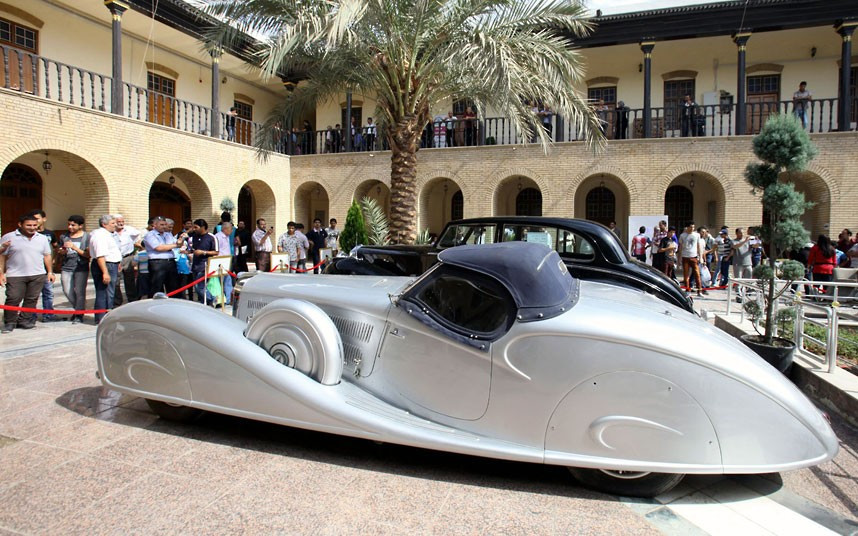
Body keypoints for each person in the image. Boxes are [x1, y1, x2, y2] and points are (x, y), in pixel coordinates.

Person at [0, 213, 54, 333]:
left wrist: (50, 272)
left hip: (37, 274)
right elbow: (2, 256)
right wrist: (1, 274)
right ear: (20, 225)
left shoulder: (42, 238)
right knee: (13, 298)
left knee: (32, 299)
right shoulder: (9, 237)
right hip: (15, 275)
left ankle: (24, 321)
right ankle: (10, 322)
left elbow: (47, 255)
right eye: (29, 225)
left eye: (35, 225)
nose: (32, 228)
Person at [89, 214, 122, 324]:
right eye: (112, 223)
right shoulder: (100, 236)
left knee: (109, 292)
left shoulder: (108, 235)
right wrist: (105, 272)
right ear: (104, 224)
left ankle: (106, 315)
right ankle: (101, 318)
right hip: (105, 265)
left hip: (112, 264)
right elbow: (100, 255)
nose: (115, 225)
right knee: (104, 292)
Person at [143, 216, 186, 297]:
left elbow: (178, 244)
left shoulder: (168, 234)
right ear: (154, 225)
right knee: (156, 286)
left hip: (170, 262)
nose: (164, 227)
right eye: (161, 225)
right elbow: (159, 248)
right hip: (157, 263)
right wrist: (175, 245)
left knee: (173, 286)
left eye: (165, 224)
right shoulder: (150, 235)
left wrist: (181, 239)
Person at [59, 215, 89, 323]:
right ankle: (78, 309)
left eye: (73, 225)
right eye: (69, 224)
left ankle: (78, 315)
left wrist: (74, 247)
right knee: (67, 290)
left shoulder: (87, 237)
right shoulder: (64, 236)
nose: (70, 227)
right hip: (66, 266)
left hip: (81, 267)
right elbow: (60, 250)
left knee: (80, 292)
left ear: (80, 226)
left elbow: (88, 255)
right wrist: (62, 251)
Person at [31, 210, 58, 322]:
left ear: (44, 219)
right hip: (33, 269)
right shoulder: (29, 233)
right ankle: (31, 316)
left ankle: (48, 314)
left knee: (48, 293)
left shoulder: (50, 234)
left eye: (37, 218)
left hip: (46, 269)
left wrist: (54, 258)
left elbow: (55, 247)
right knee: (32, 295)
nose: (35, 221)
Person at [113, 214, 141, 306]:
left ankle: (132, 300)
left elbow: (138, 237)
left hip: (128, 257)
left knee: (130, 280)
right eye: (118, 222)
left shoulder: (129, 230)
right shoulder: (111, 232)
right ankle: (117, 302)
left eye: (122, 222)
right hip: (116, 258)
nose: (121, 224)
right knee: (116, 281)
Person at [188, 219, 218, 305]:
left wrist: (203, 252)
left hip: (205, 265)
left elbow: (216, 252)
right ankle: (205, 303)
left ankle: (212, 299)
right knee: (198, 286)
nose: (194, 229)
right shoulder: (193, 237)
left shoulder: (211, 237)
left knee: (199, 286)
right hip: (195, 265)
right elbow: (191, 249)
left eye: (196, 227)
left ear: (203, 227)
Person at [679, 222, 705, 296]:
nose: (692, 229)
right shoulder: (682, 235)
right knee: (686, 274)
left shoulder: (697, 235)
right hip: (685, 256)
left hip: (694, 256)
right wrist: (679, 259)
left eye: (693, 227)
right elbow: (680, 247)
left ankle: (699, 291)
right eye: (690, 227)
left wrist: (700, 257)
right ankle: (687, 290)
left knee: (697, 274)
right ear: (687, 227)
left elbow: (698, 246)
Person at [214, 221, 234, 304]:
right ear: (225, 229)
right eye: (230, 229)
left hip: (227, 261)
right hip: (220, 262)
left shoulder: (226, 236)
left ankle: (229, 299)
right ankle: (220, 300)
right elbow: (217, 250)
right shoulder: (218, 237)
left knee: (228, 280)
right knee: (220, 281)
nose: (232, 231)